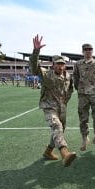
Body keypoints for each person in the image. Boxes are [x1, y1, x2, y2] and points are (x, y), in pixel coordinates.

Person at [29, 34, 76, 167]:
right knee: (57, 127)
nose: (60, 67)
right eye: (57, 64)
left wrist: (65, 100)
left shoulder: (68, 76)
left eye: (62, 64)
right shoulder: (46, 75)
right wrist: (36, 51)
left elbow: (70, 89)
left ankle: (48, 152)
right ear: (53, 65)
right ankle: (65, 153)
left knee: (59, 130)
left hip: (62, 108)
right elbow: (33, 67)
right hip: (49, 107)